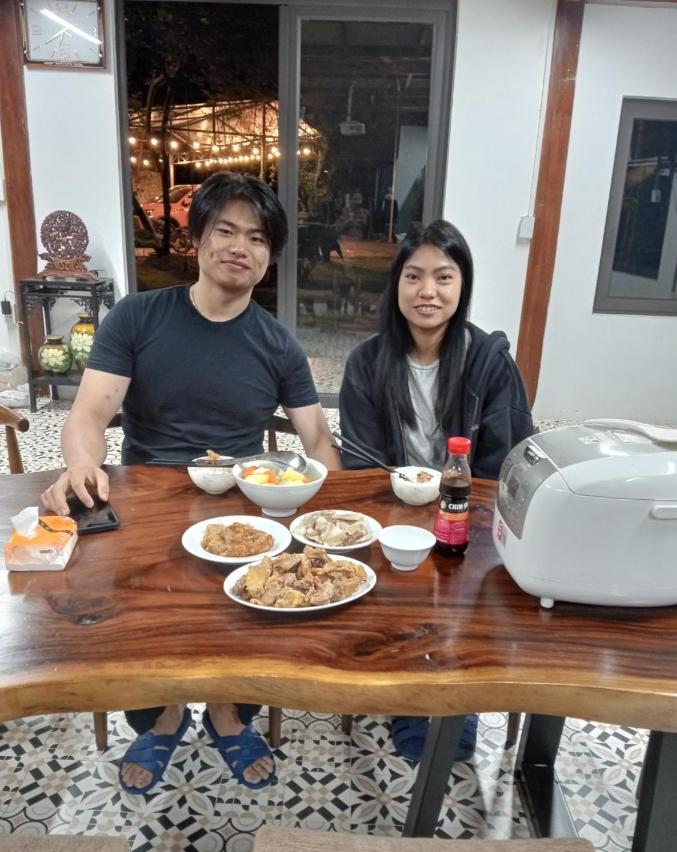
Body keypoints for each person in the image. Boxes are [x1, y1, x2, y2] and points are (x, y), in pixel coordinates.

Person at [41, 172, 341, 795]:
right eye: (225, 230)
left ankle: (229, 712)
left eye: (256, 238)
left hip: (242, 504)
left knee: (256, 604)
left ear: (269, 256)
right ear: (197, 238)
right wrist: (81, 463)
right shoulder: (138, 316)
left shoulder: (278, 344)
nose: (239, 247)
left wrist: (334, 508)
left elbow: (316, 439)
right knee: (133, 610)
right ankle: (165, 713)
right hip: (147, 499)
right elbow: (89, 414)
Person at [338, 219, 533, 762]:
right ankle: (406, 689)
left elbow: (505, 462)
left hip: (465, 516)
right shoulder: (367, 363)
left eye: (444, 277)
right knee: (397, 579)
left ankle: (455, 696)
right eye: (414, 276)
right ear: (396, 284)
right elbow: (363, 464)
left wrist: (460, 515)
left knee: (464, 584)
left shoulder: (489, 362)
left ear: (462, 285)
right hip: (394, 511)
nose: (428, 291)